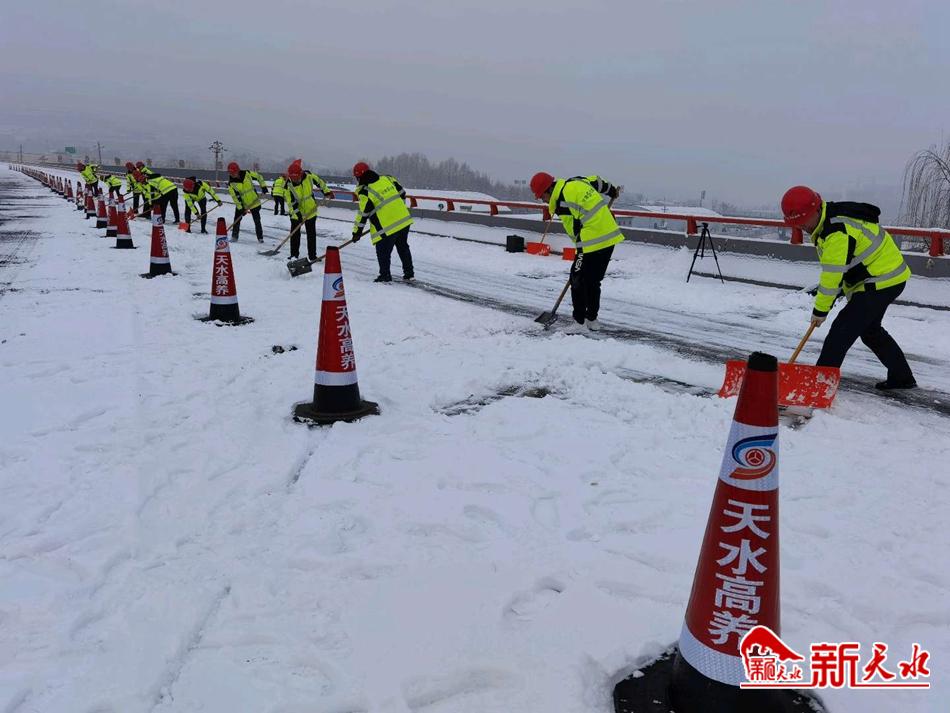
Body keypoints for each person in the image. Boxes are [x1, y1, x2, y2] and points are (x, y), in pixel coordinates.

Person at [781, 186, 915, 390]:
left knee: (841, 331)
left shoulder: (835, 231)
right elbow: (844, 268)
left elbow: (832, 275)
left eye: (803, 221)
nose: (801, 227)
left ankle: (820, 386)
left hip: (882, 278)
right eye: (796, 223)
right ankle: (902, 377)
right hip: (880, 276)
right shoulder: (827, 222)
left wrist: (820, 311)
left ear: (815, 210)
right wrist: (835, 295)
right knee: (870, 331)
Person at [530, 171, 624, 332]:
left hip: (591, 240)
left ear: (549, 190)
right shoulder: (576, 182)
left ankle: (579, 323)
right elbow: (598, 182)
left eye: (542, 196)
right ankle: (592, 320)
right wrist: (612, 191)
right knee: (593, 281)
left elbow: (574, 229)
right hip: (610, 236)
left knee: (577, 279)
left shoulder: (561, 202)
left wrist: (580, 250)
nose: (543, 201)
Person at [351, 161, 414, 282]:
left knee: (383, 251)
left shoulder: (365, 191)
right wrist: (397, 210)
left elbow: (362, 215)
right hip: (403, 220)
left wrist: (356, 233)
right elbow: (402, 193)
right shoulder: (387, 178)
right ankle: (409, 273)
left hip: (387, 226)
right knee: (403, 247)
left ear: (359, 177)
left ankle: (385, 275)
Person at [285, 160, 333, 261]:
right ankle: (294, 255)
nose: (295, 181)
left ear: (301, 174)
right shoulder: (288, 186)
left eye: (297, 178)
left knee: (311, 235)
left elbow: (320, 182)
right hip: (296, 213)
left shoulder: (309, 177)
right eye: (293, 179)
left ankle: (312, 256)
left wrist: (327, 192)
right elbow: (291, 203)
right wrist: (297, 215)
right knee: (295, 234)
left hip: (311, 211)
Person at [226, 161, 267, 242]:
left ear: (238, 170)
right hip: (242, 204)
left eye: (233, 172)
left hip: (254, 202)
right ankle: (234, 236)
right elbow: (235, 198)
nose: (232, 174)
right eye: (230, 173)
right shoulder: (231, 183)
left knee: (257, 220)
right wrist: (241, 209)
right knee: (237, 219)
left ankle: (260, 238)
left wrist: (263, 186)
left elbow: (259, 177)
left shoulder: (247, 173)